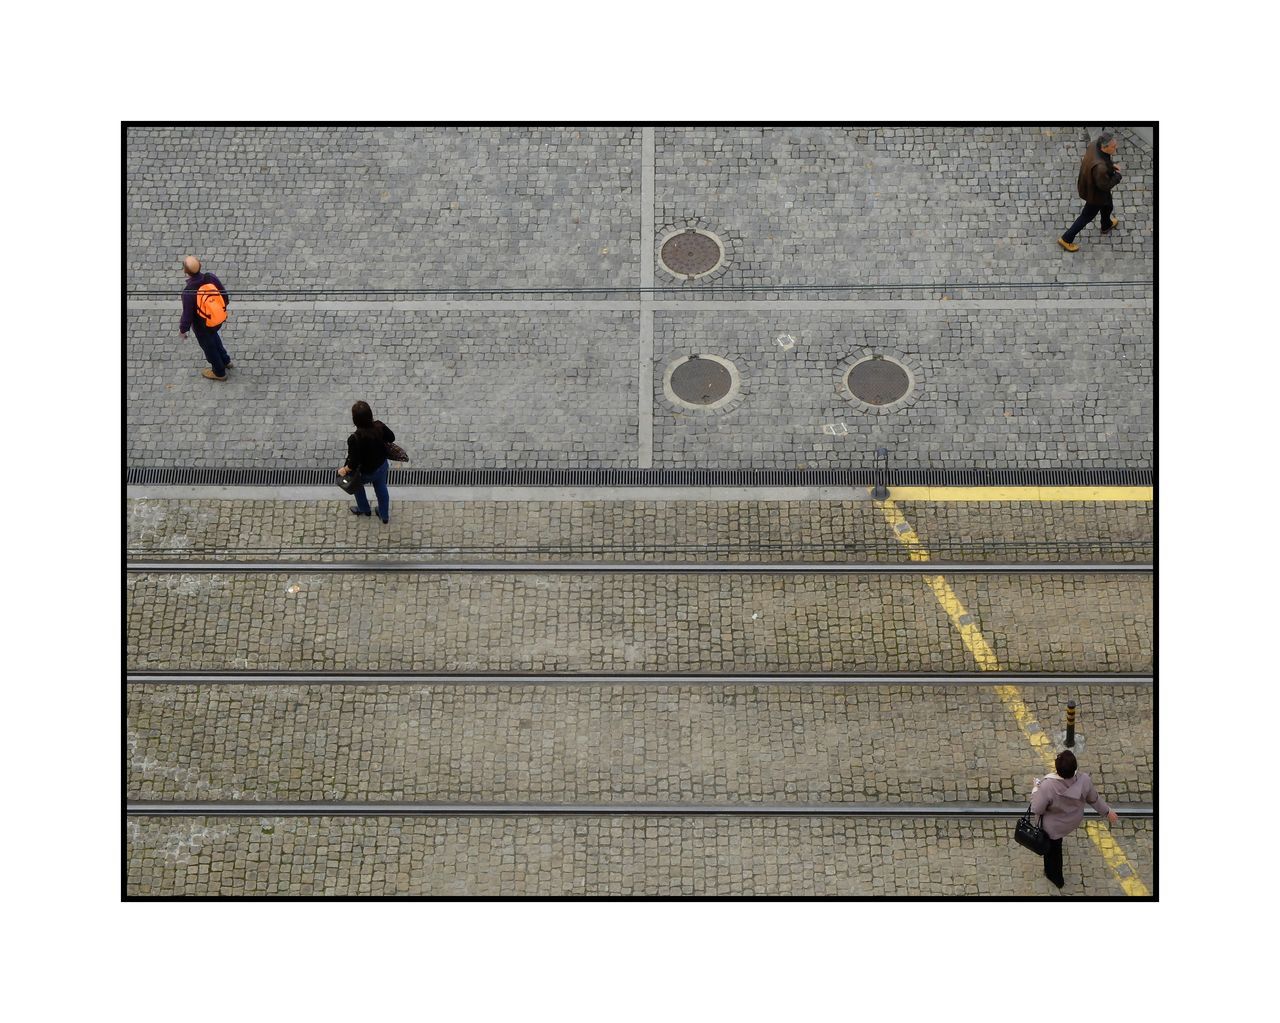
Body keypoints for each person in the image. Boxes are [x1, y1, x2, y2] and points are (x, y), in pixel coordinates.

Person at [1030, 749, 1120, 890]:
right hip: (1072, 820)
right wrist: (1107, 812)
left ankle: (1056, 878)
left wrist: (1035, 789)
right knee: (1056, 847)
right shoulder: (1084, 780)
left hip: (1053, 829)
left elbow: (1036, 809)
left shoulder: (1047, 786)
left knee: (1053, 853)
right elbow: (1094, 799)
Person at [1057, 133, 1124, 252]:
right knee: (1086, 216)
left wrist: (1111, 166)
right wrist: (1118, 176)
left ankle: (1106, 224)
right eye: (1113, 146)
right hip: (1095, 194)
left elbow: (1105, 160)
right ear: (1104, 147)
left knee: (1108, 205)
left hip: (1092, 184)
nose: (1116, 148)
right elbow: (1105, 186)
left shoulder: (1094, 145)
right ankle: (1066, 239)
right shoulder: (1100, 168)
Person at [338, 401, 395, 524]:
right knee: (381, 488)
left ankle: (364, 509)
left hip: (365, 472)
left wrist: (344, 470)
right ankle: (384, 515)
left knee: (357, 487)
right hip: (381, 465)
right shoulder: (379, 426)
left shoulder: (354, 439)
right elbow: (392, 438)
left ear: (355, 420)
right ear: (370, 414)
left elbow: (353, 463)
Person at [179, 255, 233, 380]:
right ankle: (226, 361)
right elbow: (223, 294)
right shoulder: (211, 277)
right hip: (216, 319)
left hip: (202, 326)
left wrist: (183, 330)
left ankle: (219, 372)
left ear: (185, 271)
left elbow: (187, 316)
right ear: (201, 266)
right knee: (215, 337)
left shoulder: (189, 292)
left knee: (209, 348)